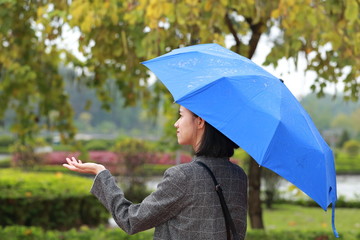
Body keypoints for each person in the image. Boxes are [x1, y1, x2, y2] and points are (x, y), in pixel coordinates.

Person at [63, 105, 248, 240]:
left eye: (181, 115)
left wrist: (101, 174)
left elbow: (131, 220)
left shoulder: (183, 176)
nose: (176, 123)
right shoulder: (239, 176)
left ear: (200, 121)